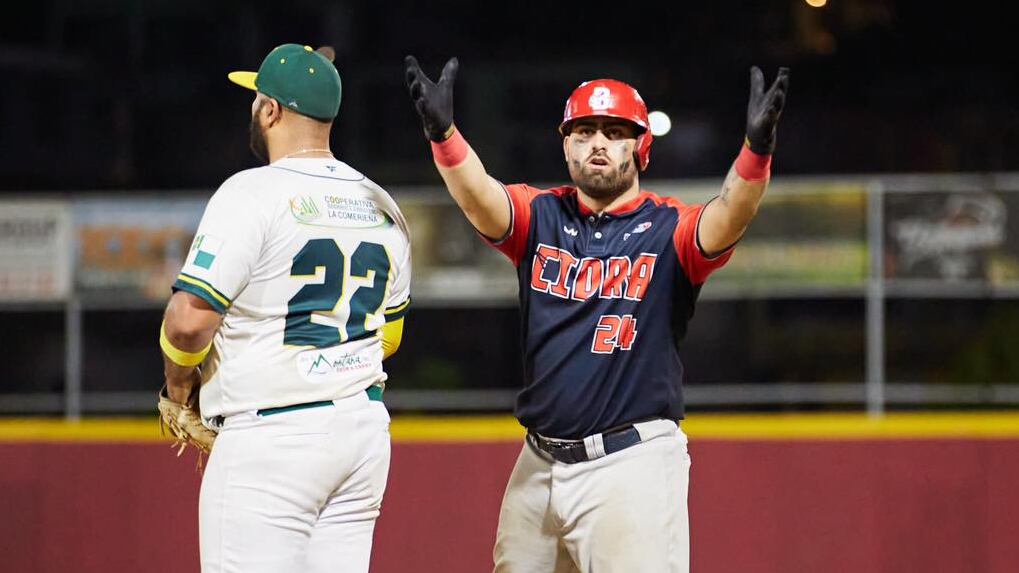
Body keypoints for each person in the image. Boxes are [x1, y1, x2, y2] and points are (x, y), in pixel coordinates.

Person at [404, 55, 788, 572]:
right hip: (539, 461)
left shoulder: (668, 229)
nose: (598, 143)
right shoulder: (542, 215)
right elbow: (478, 198)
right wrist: (444, 135)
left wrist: (756, 152)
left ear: (640, 146)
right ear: (566, 145)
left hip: (630, 465)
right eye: (584, 132)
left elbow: (730, 215)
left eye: (614, 131)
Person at [158, 43, 411, 573]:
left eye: (256, 99)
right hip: (362, 434)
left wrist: (179, 389)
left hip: (274, 437)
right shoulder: (381, 203)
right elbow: (387, 339)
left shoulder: (251, 193)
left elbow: (187, 323)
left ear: (271, 110)